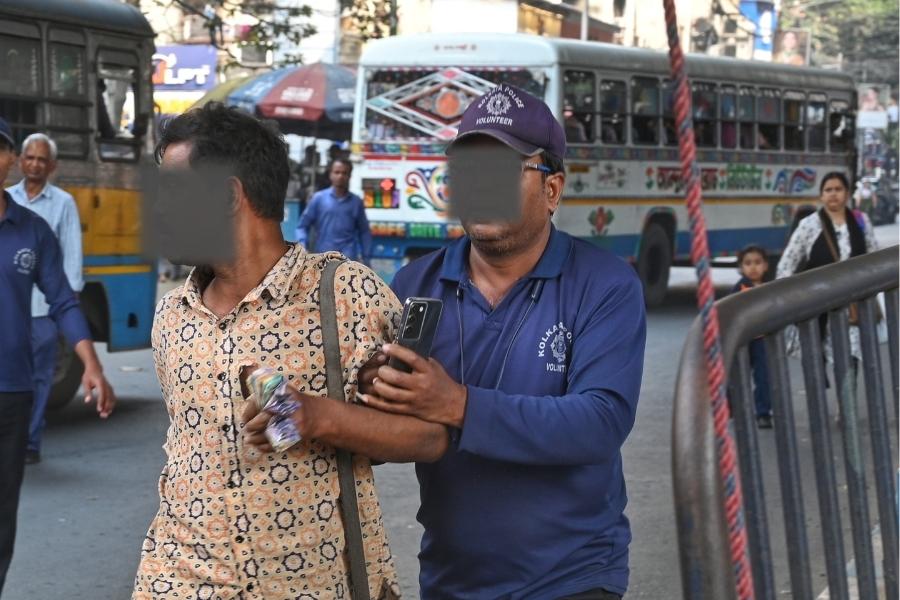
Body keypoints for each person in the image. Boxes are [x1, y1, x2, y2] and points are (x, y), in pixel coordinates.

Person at [134, 102, 447, 600]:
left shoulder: (345, 295)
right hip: (177, 580)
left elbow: (427, 438)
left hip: (312, 583)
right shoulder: (173, 316)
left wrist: (318, 417)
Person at [360, 84, 647, 599]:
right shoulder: (413, 288)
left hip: (573, 577)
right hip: (450, 577)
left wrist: (457, 404)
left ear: (553, 189)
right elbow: (393, 431)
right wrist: (356, 401)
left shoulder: (605, 285)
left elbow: (600, 422)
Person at [0, 117, 115, 594]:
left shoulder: (33, 231)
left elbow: (64, 298)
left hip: (13, 393)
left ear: (9, 161)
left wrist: (91, 361)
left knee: (3, 513)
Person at [6, 133, 84, 464]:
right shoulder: (6, 197)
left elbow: (72, 260)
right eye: (30, 158)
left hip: (43, 311)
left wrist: (66, 313)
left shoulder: (63, 203)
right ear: (19, 161)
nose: (35, 165)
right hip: (10, 309)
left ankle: (29, 441)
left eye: (42, 160)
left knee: (39, 379)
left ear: (52, 166)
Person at [777, 172, 878, 364]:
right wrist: (792, 300)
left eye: (838, 189)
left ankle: (847, 395)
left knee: (850, 364)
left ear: (847, 193)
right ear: (821, 196)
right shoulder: (809, 225)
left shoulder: (860, 221)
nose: (833, 194)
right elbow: (786, 265)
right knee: (816, 367)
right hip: (818, 308)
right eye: (828, 190)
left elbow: (874, 259)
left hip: (852, 311)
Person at [295, 158, 372, 264]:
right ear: (330, 174)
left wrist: (366, 258)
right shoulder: (319, 199)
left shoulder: (356, 202)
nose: (340, 176)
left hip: (348, 261)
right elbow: (302, 226)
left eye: (344, 173)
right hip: (323, 259)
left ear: (349, 176)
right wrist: (303, 246)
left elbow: (364, 232)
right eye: (337, 172)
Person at [731, 245, 772, 428]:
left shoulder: (771, 287)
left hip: (763, 339)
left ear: (766, 266)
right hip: (743, 340)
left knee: (764, 376)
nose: (753, 267)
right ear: (741, 267)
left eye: (757, 262)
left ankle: (763, 412)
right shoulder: (739, 288)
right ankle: (732, 408)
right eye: (748, 263)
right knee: (738, 376)